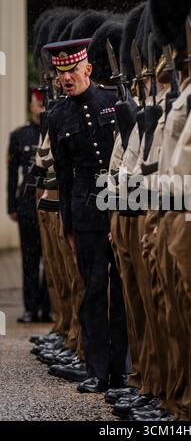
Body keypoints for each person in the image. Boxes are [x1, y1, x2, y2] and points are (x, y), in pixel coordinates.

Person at [46, 37, 130, 393]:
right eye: (60, 72)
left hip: (117, 200)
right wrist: (67, 224)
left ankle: (122, 370)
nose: (66, 78)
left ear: (88, 69)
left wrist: (125, 211)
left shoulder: (115, 101)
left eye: (72, 71)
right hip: (83, 207)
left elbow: (129, 158)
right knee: (94, 289)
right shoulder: (57, 115)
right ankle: (97, 370)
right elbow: (63, 177)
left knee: (122, 288)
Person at [7, 87, 51, 323]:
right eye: (37, 103)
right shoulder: (19, 135)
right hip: (27, 202)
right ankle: (30, 307)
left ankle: (48, 306)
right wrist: (11, 206)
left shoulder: (52, 128)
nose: (41, 106)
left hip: (49, 201)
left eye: (44, 103)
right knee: (30, 257)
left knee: (51, 257)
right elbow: (12, 174)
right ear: (30, 106)